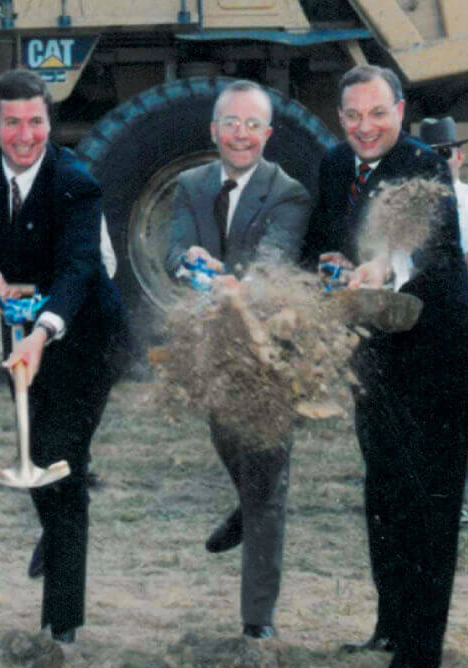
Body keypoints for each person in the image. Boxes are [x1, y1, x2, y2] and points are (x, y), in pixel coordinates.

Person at [303, 65, 468, 668]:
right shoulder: (333, 165)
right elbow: (323, 239)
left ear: (400, 111)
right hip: (374, 360)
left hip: (437, 357)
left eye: (377, 114)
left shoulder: (423, 166)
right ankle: (390, 621)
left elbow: (430, 246)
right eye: (352, 115)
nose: (364, 127)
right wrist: (330, 259)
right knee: (383, 497)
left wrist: (384, 264)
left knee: (428, 504)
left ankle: (420, 650)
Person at [0, 68, 129, 645]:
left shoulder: (75, 181)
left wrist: (43, 330)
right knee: (38, 458)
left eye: (36, 122)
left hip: (86, 336)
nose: (24, 135)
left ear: (49, 124)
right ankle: (57, 534)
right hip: (19, 333)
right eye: (12, 123)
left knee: (62, 466)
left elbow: (80, 268)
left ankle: (63, 627)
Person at [160, 80, 311, 639]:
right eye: (231, 123)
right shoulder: (189, 185)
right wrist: (188, 262)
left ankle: (257, 621)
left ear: (268, 133)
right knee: (227, 444)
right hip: (211, 349)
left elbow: (274, 259)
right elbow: (175, 247)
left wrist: (237, 282)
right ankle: (247, 510)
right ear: (214, 131)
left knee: (268, 482)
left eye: (252, 125)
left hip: (270, 351)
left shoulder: (288, 192)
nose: (241, 134)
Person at [413, 116, 468, 526]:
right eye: (429, 153)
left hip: (458, 311)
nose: (438, 160)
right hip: (414, 316)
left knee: (464, 407)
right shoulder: (405, 201)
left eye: (445, 153)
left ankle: (461, 499)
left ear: (460, 156)